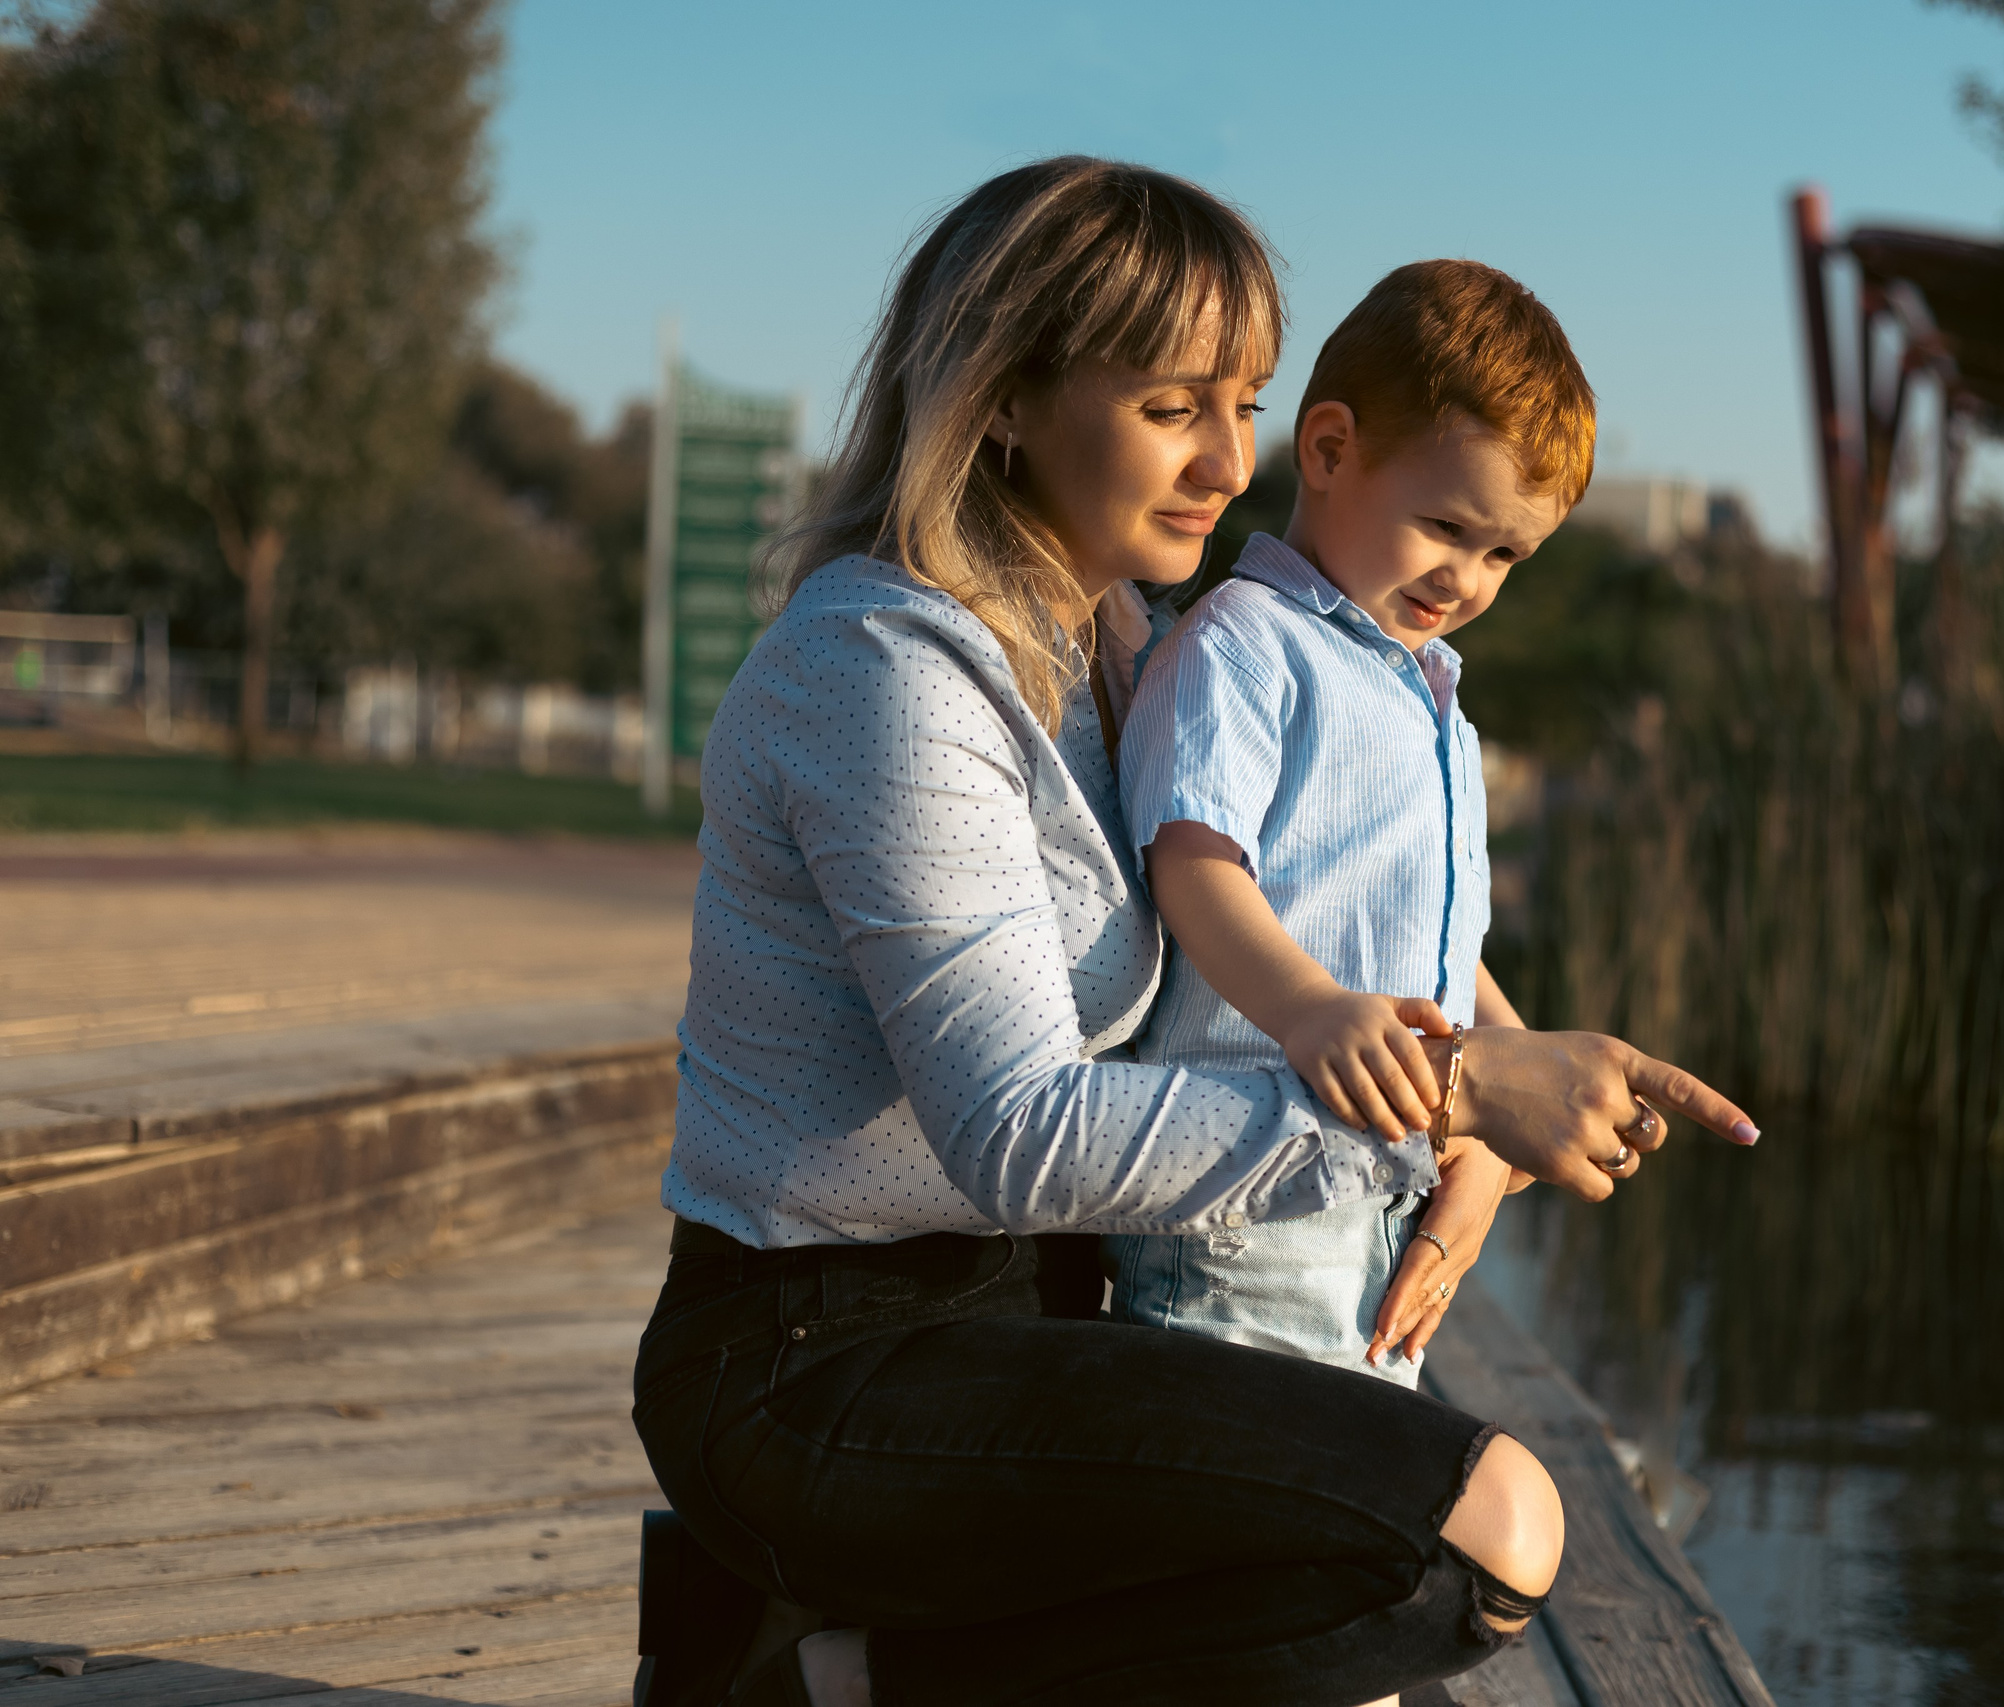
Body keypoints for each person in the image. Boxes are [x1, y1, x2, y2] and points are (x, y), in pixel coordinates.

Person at [628, 156, 1760, 1707]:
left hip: (1037, 1309)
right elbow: (1017, 1131)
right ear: (1006, 395)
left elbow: (1331, 884)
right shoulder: (883, 671)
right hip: (815, 1364)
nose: (1235, 459)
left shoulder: (1127, 648)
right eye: (1176, 406)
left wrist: (1505, 1051)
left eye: (1247, 400)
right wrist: (1455, 1098)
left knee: (1412, 1544)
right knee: (1476, 1534)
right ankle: (827, 1682)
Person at [1105, 260, 1600, 1388]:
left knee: (1351, 1511)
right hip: (1236, 1216)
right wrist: (1310, 1007)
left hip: (1370, 1201)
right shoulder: (1244, 645)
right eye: (1446, 526)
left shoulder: (1428, 697)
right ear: (1327, 452)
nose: (1467, 577)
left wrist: (1514, 1066)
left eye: (1504, 554)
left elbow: (1437, 939)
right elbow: (1193, 862)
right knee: (1275, 1515)